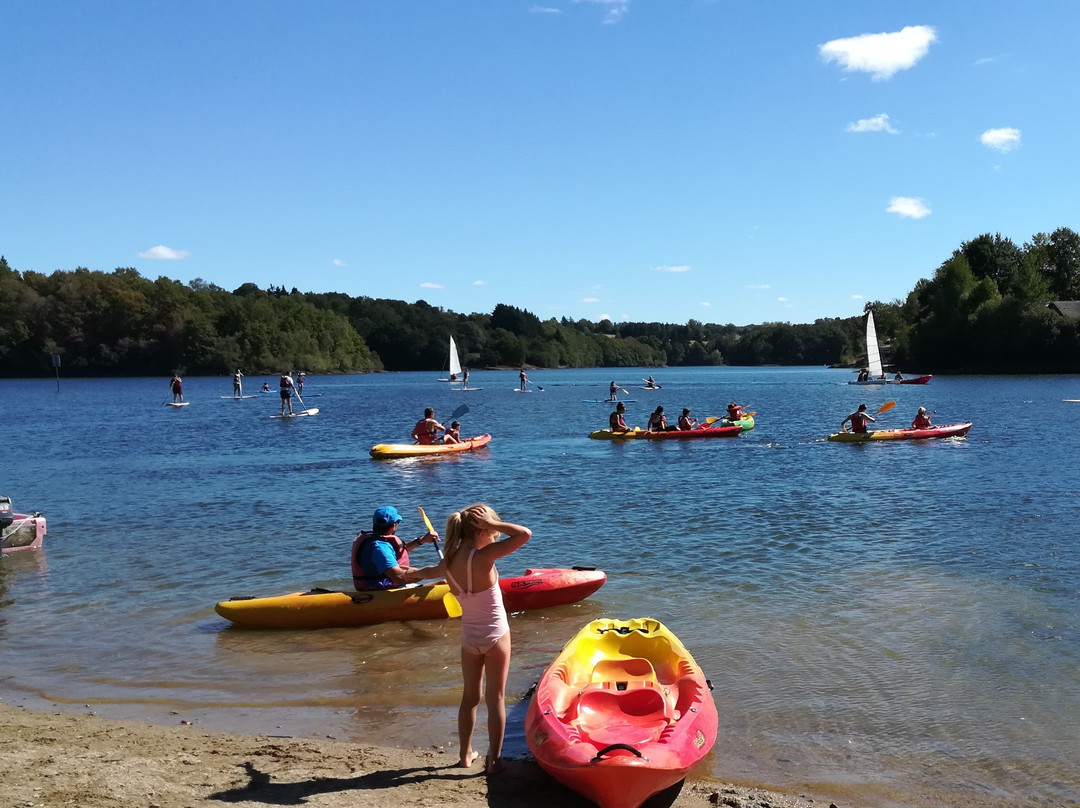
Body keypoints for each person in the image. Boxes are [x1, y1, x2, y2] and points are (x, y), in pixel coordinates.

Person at [412, 505, 531, 773]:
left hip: (469, 638)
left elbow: (429, 571)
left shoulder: (449, 563)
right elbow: (524, 534)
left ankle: (465, 755)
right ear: (483, 531)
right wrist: (494, 522)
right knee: (496, 698)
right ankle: (494, 761)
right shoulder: (484, 557)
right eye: (492, 531)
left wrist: (410, 574)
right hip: (495, 635)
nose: (496, 535)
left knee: (470, 697)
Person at [351, 506, 439, 591]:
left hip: (384, 588)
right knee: (444, 584)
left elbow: (397, 552)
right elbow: (400, 577)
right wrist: (435, 571)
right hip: (382, 592)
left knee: (442, 583)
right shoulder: (380, 548)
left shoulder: (375, 541)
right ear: (394, 525)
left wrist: (422, 540)